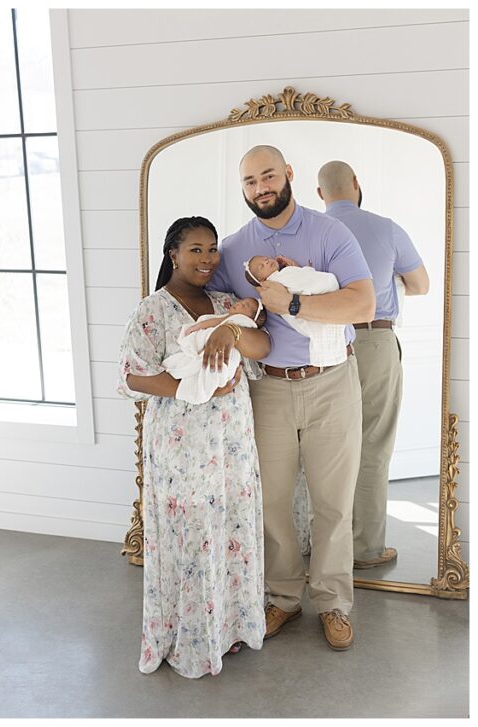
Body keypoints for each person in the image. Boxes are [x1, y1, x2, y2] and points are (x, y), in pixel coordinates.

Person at [207, 145, 376, 651]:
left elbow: (363, 302)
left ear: (289, 175)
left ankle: (333, 603)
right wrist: (236, 309)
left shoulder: (330, 233)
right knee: (273, 502)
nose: (261, 187)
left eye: (269, 176)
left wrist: (295, 301)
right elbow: (210, 301)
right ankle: (281, 597)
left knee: (333, 503)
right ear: (243, 189)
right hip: (269, 388)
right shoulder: (235, 247)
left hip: (332, 382)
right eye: (250, 181)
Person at [118, 216, 271, 678]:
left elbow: (261, 347)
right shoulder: (152, 310)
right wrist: (196, 389)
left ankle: (231, 627)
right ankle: (188, 637)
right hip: (182, 448)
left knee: (231, 528)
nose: (206, 259)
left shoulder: (226, 303)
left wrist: (233, 329)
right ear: (173, 255)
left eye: (212, 249)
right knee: (190, 536)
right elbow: (130, 375)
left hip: (232, 442)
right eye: (195, 250)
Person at [317, 160, 430, 569]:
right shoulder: (387, 228)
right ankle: (366, 548)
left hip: (325, 345)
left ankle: (323, 545)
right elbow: (421, 284)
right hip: (375, 340)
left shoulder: (314, 230)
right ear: (356, 185)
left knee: (324, 449)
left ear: (319, 194)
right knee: (373, 444)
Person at [244, 254, 346, 366]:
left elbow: (298, 281)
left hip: (303, 315)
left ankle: (329, 356)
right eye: (262, 266)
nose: (267, 262)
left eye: (266, 259)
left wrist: (297, 270)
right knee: (329, 280)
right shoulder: (277, 279)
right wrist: (307, 270)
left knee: (322, 329)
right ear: (261, 280)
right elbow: (304, 280)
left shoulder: (284, 275)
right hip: (304, 310)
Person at [163, 296, 263, 404]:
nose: (239, 304)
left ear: (252, 318)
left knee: (212, 362)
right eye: (241, 302)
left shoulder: (239, 320)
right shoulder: (234, 320)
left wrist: (196, 327)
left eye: (244, 305)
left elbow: (216, 322)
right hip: (225, 351)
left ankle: (200, 390)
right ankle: (202, 388)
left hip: (226, 349)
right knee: (211, 366)